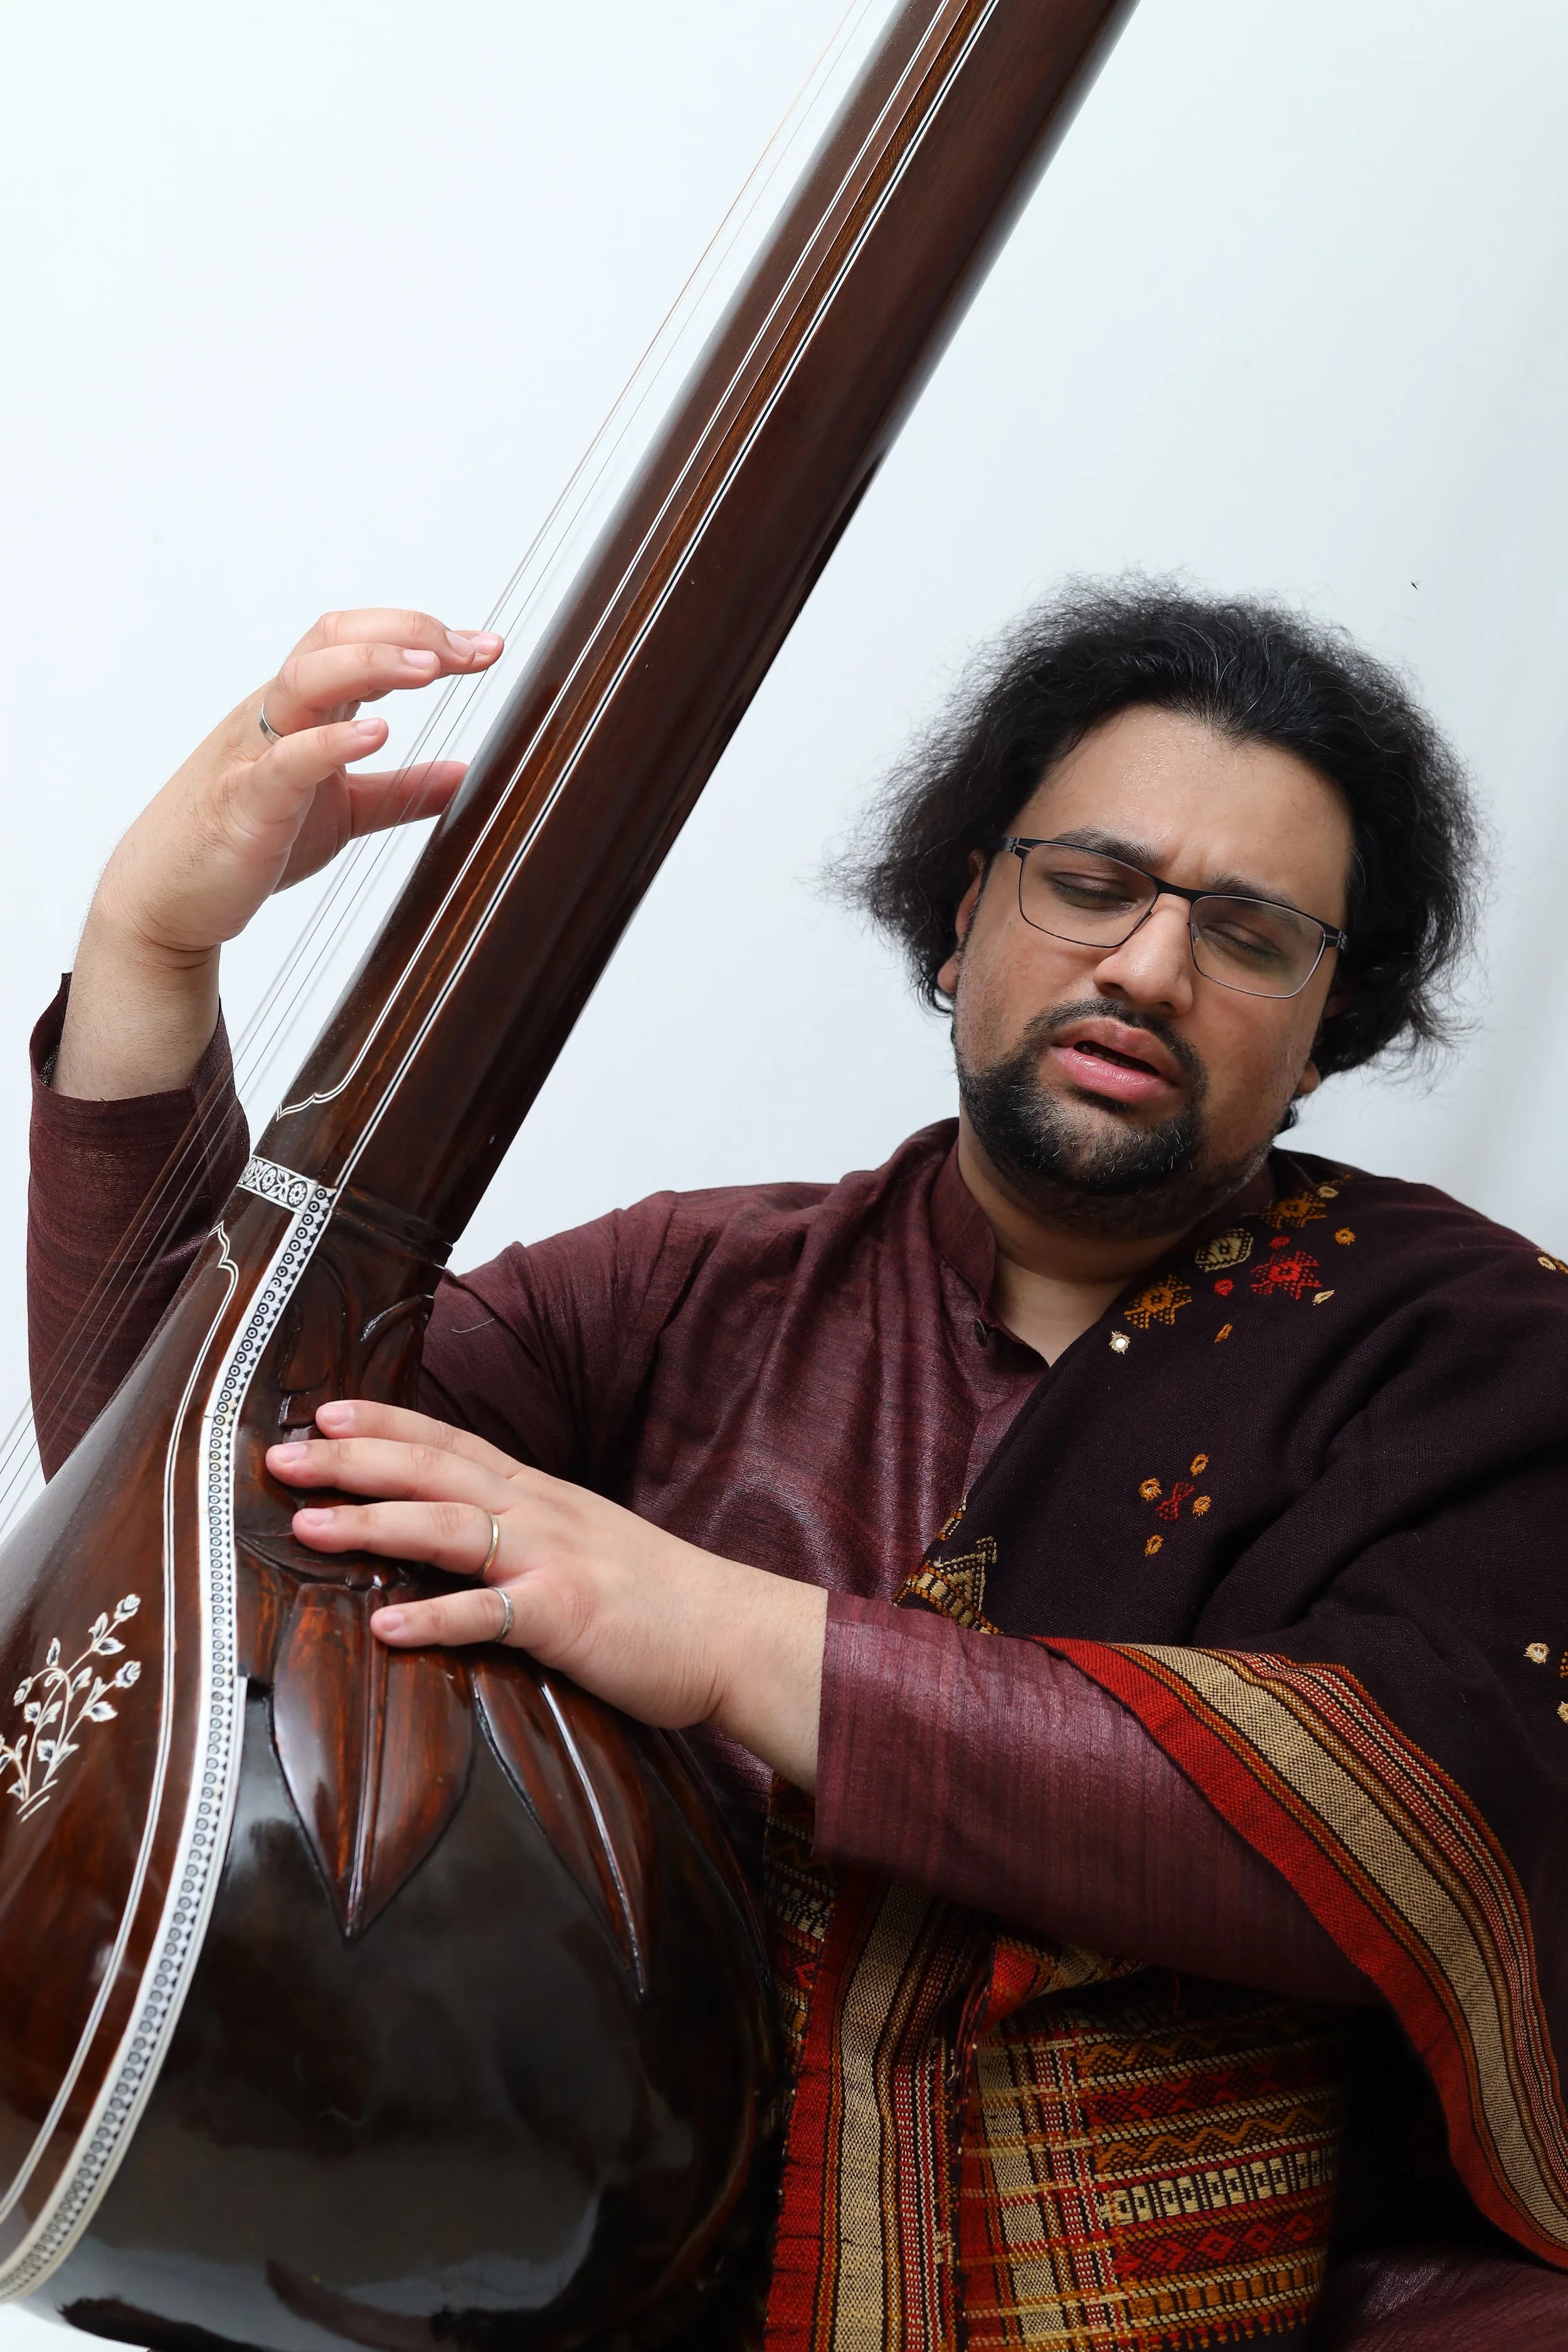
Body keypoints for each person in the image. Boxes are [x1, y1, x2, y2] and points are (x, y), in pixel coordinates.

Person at [28, 586, 1568, 2350]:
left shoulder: (1466, 1349)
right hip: (644, 2267)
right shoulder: (684, 1287)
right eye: (1088, 881)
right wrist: (149, 953)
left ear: (1324, 1033)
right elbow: (183, 1528)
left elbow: (1405, 1815)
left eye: (1250, 932)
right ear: (952, 918)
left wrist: (733, 1636)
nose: (1148, 965)